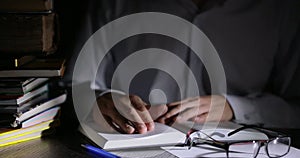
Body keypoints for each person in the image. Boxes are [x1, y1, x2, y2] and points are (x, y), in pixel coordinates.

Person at [64, 0, 300, 134]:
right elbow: (74, 86)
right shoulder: (114, 4)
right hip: (131, 150)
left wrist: (236, 108)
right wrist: (102, 99)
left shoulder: (281, 9)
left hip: (246, 154)